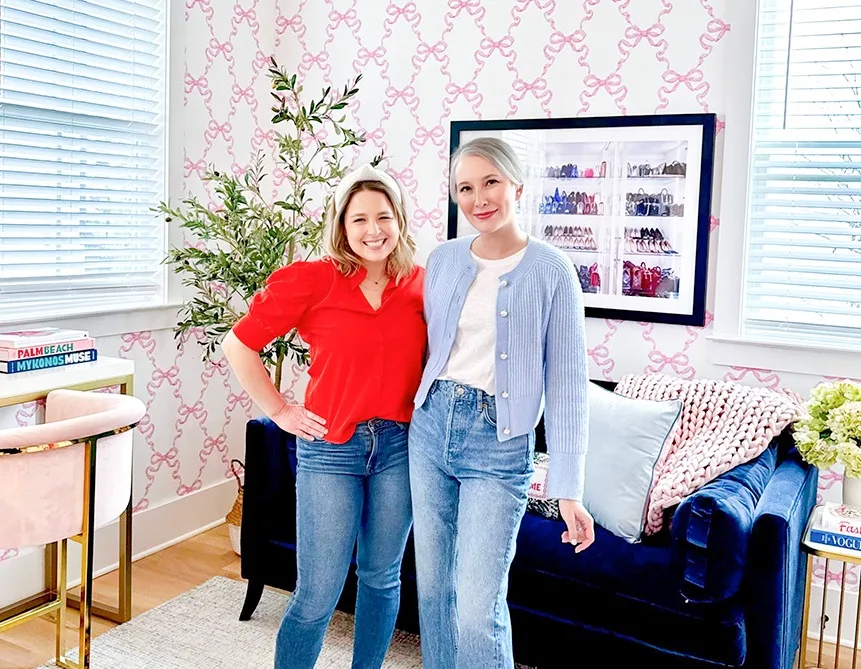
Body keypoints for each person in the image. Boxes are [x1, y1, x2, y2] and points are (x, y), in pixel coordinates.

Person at [221, 163, 426, 669]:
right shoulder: (314, 281)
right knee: (317, 593)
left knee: (382, 579)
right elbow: (239, 344)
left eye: (383, 216)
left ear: (399, 221)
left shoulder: (422, 284)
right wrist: (280, 409)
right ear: (341, 225)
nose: (373, 230)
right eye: (359, 219)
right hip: (331, 447)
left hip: (400, 448)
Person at [408, 137, 595, 669]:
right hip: (430, 426)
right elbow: (418, 346)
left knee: (476, 608)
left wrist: (568, 486)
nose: (478, 198)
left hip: (499, 441)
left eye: (490, 182)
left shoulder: (551, 269)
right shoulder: (442, 260)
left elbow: (566, 385)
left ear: (516, 184)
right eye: (464, 188)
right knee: (434, 596)